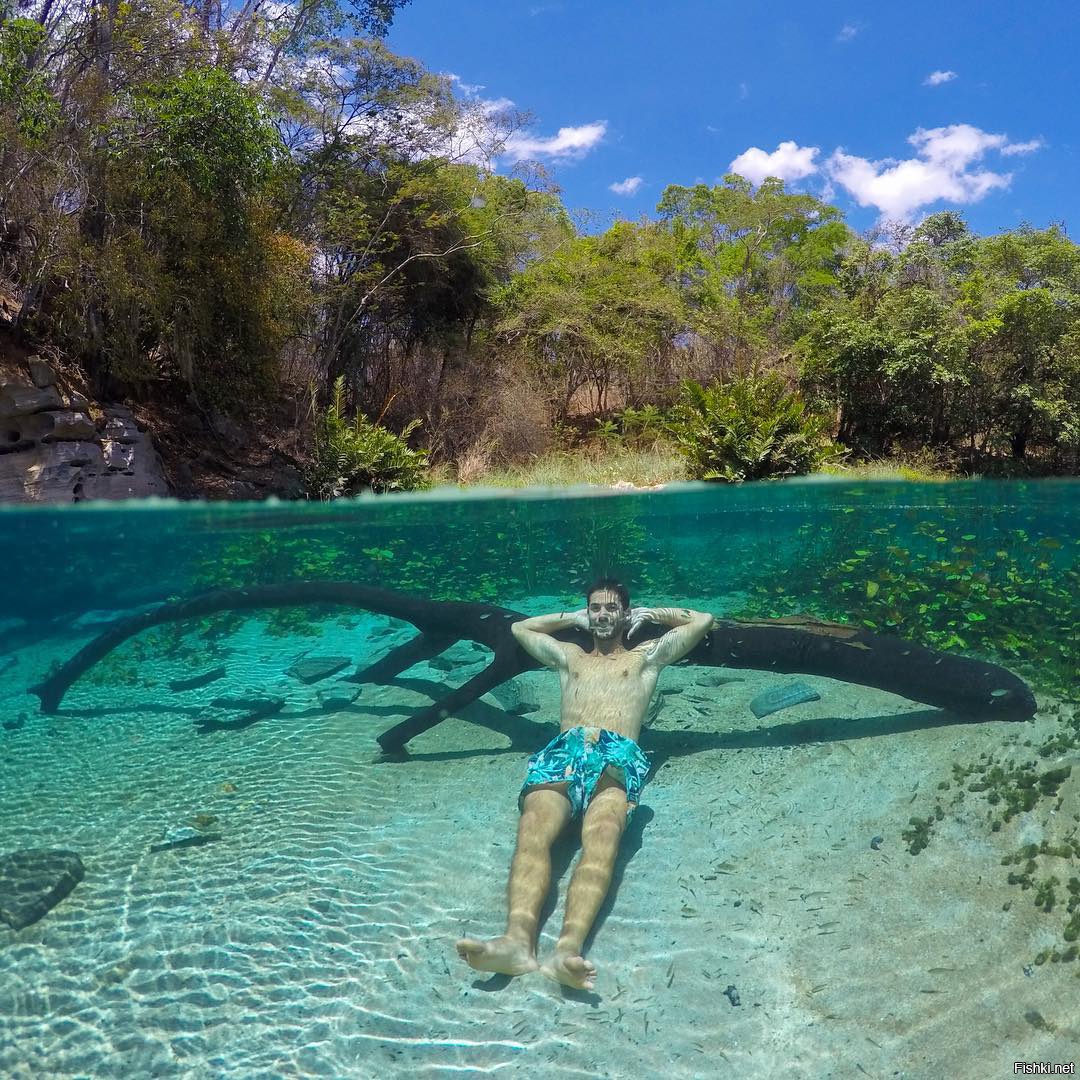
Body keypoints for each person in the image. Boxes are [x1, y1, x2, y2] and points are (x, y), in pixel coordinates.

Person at [455, 579, 714, 991]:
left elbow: (702, 620)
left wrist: (653, 613)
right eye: (595, 608)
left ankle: (566, 951)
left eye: (612, 608)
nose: (603, 615)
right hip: (565, 750)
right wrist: (571, 618)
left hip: (617, 754)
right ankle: (516, 942)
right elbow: (521, 630)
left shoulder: (646, 658)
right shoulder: (570, 657)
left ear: (626, 613)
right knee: (533, 830)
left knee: (604, 835)